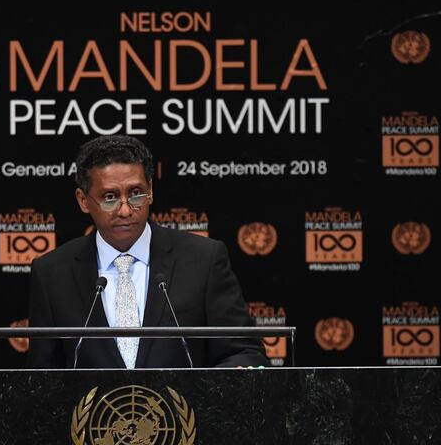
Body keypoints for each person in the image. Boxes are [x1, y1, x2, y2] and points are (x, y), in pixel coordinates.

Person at [27, 135, 268, 369]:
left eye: (135, 194)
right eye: (109, 197)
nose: (124, 210)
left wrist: (221, 384)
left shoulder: (203, 259)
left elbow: (244, 352)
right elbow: (42, 377)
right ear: (83, 200)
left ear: (150, 190)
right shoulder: (51, 273)